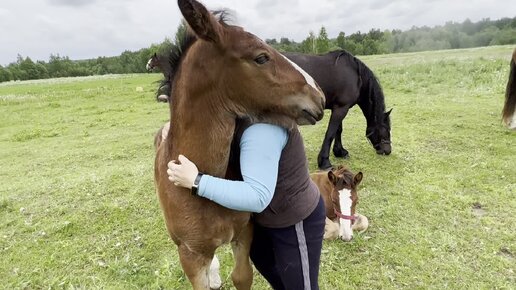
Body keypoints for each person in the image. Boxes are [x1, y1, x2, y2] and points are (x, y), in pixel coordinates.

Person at [167, 118, 326, 290]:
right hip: (264, 221)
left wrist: (196, 181)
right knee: (273, 272)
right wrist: (175, 126)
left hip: (294, 222)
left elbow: (257, 197)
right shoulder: (238, 113)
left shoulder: (263, 127)